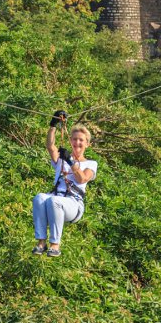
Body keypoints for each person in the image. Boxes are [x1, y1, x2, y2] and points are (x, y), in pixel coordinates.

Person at [32, 110, 97, 257]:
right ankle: (41, 242)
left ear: (87, 144)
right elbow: (50, 146)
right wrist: (53, 124)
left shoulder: (91, 164)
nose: (77, 143)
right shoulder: (61, 159)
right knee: (40, 197)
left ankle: (55, 244)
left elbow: (82, 179)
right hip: (56, 199)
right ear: (70, 141)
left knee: (54, 201)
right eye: (74, 139)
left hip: (73, 204)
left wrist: (70, 161)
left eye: (81, 140)